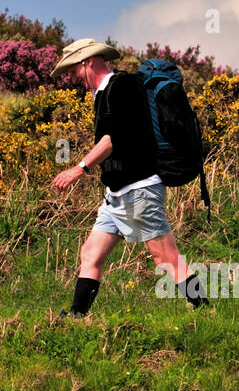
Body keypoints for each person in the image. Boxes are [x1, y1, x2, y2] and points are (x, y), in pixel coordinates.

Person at [49, 39, 207, 316]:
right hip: (116, 195)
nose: (72, 78)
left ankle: (204, 310)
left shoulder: (122, 86)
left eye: (73, 70)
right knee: (91, 254)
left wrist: (79, 168)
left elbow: (113, 139)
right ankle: (76, 317)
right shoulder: (102, 93)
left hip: (140, 191)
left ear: (87, 62)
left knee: (166, 258)